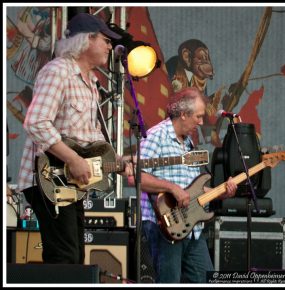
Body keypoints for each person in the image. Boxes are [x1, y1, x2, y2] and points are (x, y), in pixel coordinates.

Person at [17, 13, 133, 264]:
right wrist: (73, 160)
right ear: (87, 40)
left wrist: (118, 162)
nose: (110, 46)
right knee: (65, 258)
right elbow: (35, 122)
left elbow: (89, 139)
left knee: (76, 259)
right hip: (48, 178)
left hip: (70, 184)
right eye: (105, 40)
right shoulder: (58, 71)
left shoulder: (91, 82)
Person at [128, 86, 237, 283]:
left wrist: (221, 193)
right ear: (184, 115)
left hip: (192, 228)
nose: (201, 122)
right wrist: (171, 188)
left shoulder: (189, 144)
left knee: (206, 280)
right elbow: (137, 177)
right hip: (164, 226)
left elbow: (195, 190)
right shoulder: (156, 136)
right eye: (199, 116)